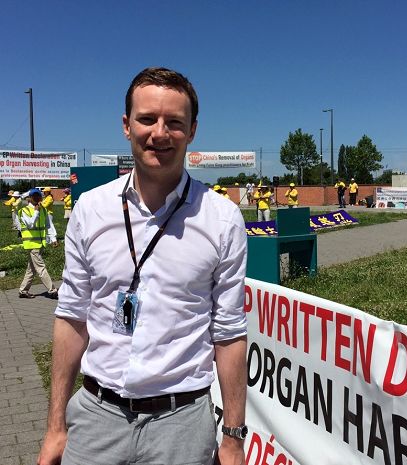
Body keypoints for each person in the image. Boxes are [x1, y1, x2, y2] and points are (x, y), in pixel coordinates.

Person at [38, 67, 248, 465]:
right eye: (147, 119)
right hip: (97, 417)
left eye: (174, 123)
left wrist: (233, 437)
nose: (160, 133)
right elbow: (71, 318)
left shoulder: (222, 220)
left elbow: (229, 332)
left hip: (181, 425)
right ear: (126, 125)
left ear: (193, 131)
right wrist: (54, 427)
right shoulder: (90, 210)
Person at [18, 188, 58, 299]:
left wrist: (53, 238)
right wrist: (35, 211)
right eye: (34, 196)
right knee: (41, 267)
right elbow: (30, 224)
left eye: (38, 196)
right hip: (31, 244)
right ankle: (52, 290)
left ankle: (23, 291)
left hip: (40, 244)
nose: (36, 198)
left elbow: (48, 225)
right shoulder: (24, 211)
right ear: (29, 198)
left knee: (31, 268)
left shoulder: (43, 210)